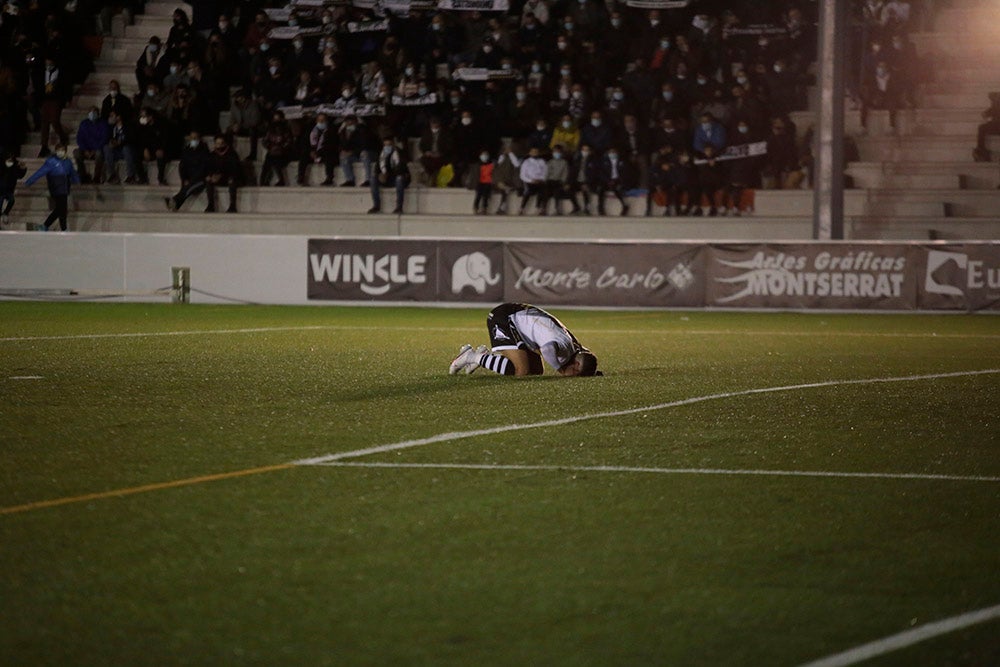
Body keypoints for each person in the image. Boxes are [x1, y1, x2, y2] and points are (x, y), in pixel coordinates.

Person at [449, 303, 600, 377]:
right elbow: (547, 350)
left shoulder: (574, 349)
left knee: (536, 372)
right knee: (521, 371)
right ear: (576, 363)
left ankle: (484, 358)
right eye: (575, 372)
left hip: (522, 327)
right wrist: (560, 369)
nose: (571, 376)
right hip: (505, 318)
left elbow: (587, 356)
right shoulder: (566, 349)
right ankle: (471, 356)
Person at [24, 144, 81, 231]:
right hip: (55, 188)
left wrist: (77, 181)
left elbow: (72, 173)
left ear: (65, 151)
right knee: (62, 209)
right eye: (58, 150)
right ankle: (63, 228)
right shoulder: (51, 161)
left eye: (62, 150)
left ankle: (46, 226)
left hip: (65, 188)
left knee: (61, 209)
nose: (60, 152)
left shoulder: (68, 161)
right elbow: (40, 172)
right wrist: (29, 181)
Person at [165, 131, 210, 211]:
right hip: (189, 179)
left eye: (195, 138)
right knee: (188, 187)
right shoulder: (187, 150)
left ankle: (175, 200)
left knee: (190, 187)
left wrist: (192, 179)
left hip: (200, 179)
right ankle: (176, 204)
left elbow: (203, 168)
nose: (193, 140)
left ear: (199, 139)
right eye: (191, 138)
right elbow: (182, 166)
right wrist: (184, 178)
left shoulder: (204, 151)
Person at [369, 136, 410, 214]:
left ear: (393, 144)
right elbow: (377, 168)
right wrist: (380, 175)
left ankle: (399, 207)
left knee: (399, 179)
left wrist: (387, 174)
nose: (387, 147)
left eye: (389, 145)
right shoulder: (381, 154)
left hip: (398, 178)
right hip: (386, 179)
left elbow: (401, 169)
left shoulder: (400, 153)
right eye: (386, 145)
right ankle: (376, 205)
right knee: (373, 178)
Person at [204, 135, 241, 212]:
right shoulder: (212, 155)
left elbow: (235, 170)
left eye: (221, 143)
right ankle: (210, 205)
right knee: (208, 180)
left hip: (229, 178)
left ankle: (232, 205)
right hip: (217, 178)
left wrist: (221, 175)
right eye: (217, 143)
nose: (219, 146)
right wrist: (211, 176)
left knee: (232, 180)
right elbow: (208, 168)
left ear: (225, 144)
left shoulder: (232, 154)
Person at [74, 107, 109, 184]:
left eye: (94, 112)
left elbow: (104, 138)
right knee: (76, 152)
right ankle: (82, 176)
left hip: (97, 150)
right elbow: (79, 138)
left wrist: (94, 150)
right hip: (85, 150)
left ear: (98, 114)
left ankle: (97, 177)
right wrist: (85, 149)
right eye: (91, 112)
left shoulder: (103, 124)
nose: (92, 114)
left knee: (99, 154)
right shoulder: (84, 123)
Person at [0, 152, 27, 228]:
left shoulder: (15, 168)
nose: (9, 162)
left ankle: (5, 213)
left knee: (12, 200)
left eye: (11, 161)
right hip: (0, 190)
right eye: (8, 160)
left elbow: (20, 176)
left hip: (9, 190)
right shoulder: (1, 166)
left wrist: (23, 168)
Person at [473, 149, 493, 215]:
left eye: (486, 155)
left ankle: (484, 209)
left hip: (488, 182)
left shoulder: (491, 165)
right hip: (480, 182)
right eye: (483, 155)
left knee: (485, 196)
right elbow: (475, 174)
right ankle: (476, 208)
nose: (484, 156)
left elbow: (493, 173)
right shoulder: (478, 164)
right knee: (478, 196)